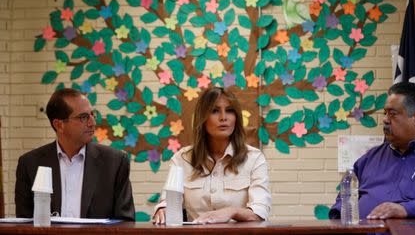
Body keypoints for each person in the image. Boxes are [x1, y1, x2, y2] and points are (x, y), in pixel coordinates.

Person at [329, 82, 415, 219]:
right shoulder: (370, 158)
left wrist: (406, 209)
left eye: (392, 114)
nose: (385, 120)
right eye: (385, 113)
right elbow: (345, 195)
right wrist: (339, 217)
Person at [153, 87, 271, 224]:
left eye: (229, 111)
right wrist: (162, 209)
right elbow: (169, 202)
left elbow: (260, 211)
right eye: (214, 111)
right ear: (202, 118)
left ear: (236, 118)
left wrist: (231, 212)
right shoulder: (181, 159)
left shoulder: (254, 158)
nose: (223, 117)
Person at [15, 88, 135, 220]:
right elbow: (24, 223)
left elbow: (126, 222)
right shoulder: (30, 164)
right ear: (59, 125)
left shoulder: (115, 162)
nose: (92, 123)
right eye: (83, 117)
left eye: (92, 115)